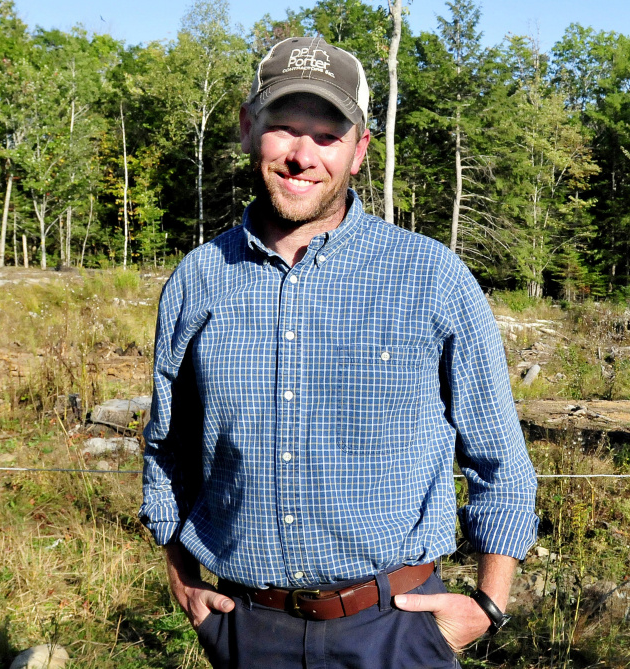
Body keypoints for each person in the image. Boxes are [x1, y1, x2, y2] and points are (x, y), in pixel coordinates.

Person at [139, 36, 538, 669]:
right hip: (247, 630)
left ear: (359, 152)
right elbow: (167, 446)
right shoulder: (198, 279)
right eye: (284, 129)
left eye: (327, 136)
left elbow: (498, 455)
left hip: (397, 631)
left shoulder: (430, 277)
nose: (302, 156)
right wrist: (180, 576)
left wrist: (487, 606)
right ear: (248, 129)